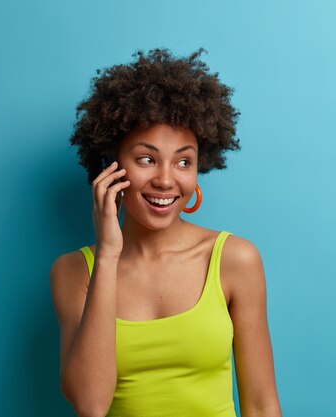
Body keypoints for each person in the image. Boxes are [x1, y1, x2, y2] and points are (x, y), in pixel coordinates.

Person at [50, 48, 282, 417]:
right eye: (146, 158)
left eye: (183, 161)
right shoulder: (73, 271)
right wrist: (108, 255)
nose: (165, 179)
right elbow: (90, 405)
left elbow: (261, 404)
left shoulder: (234, 259)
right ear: (112, 167)